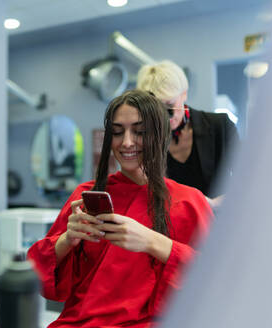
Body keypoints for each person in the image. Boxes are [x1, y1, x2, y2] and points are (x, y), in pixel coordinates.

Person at [28, 90, 213, 328]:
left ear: (159, 134)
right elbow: (36, 274)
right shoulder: (85, 197)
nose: (126, 142)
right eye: (117, 132)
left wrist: (154, 243)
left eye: (139, 131)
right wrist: (66, 240)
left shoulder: (188, 202)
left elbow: (217, 281)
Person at [137, 60, 239, 208]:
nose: (165, 116)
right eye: (156, 109)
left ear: (184, 94)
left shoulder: (220, 126)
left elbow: (248, 180)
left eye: (170, 105)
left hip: (218, 222)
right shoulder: (144, 139)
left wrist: (212, 204)